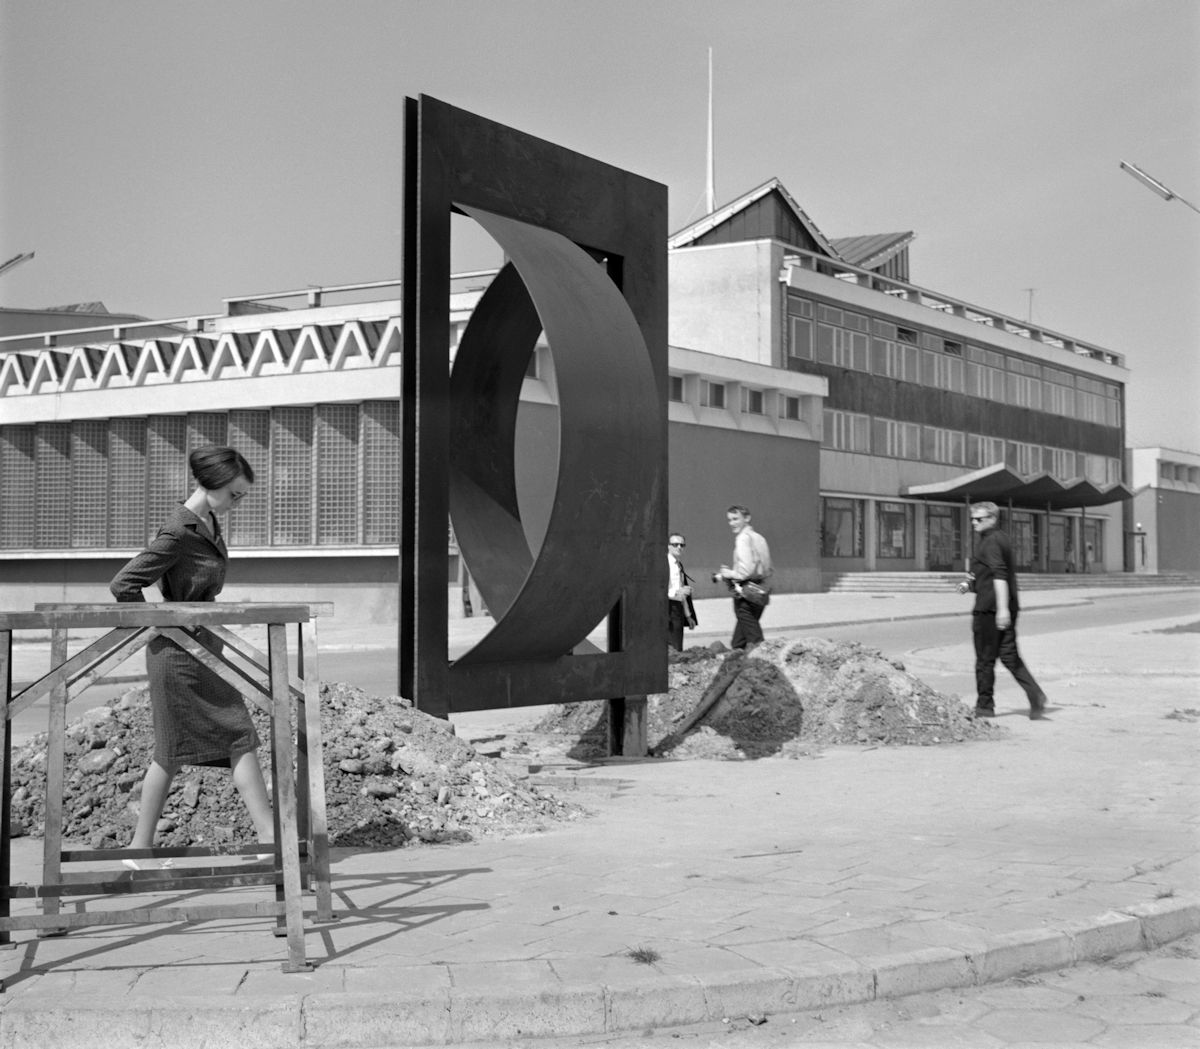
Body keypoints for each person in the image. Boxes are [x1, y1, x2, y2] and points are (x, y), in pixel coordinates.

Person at [110, 445, 274, 867]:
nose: (238, 503)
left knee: (203, 744)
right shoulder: (178, 530)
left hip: (201, 650)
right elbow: (124, 584)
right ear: (210, 484)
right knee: (213, 741)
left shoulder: (208, 522)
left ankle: (141, 849)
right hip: (178, 655)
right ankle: (267, 838)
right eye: (234, 494)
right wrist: (163, 620)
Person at [957, 501, 1047, 720]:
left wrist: (1002, 610)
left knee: (985, 660)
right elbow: (986, 573)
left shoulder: (991, 542)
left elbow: (999, 574)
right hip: (1002, 606)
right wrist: (969, 584)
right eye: (972, 519)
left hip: (990, 610)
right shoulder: (999, 539)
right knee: (1009, 656)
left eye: (979, 519)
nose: (974, 523)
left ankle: (984, 707)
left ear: (993, 519)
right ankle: (1035, 694)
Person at [715, 504, 772, 651]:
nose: (732, 523)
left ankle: (763, 661)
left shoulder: (742, 538)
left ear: (747, 518)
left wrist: (728, 574)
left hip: (745, 593)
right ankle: (737, 653)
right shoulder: (759, 538)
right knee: (739, 641)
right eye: (729, 520)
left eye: (735, 519)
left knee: (754, 637)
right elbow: (768, 567)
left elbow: (745, 571)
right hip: (760, 591)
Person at [666, 533, 697, 651]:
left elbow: (682, 594)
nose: (679, 547)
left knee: (677, 647)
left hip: (677, 610)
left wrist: (688, 616)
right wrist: (678, 592)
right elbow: (659, 589)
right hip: (667, 609)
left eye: (682, 545)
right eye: (675, 544)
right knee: (670, 648)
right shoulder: (665, 564)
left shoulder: (678, 565)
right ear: (668, 546)